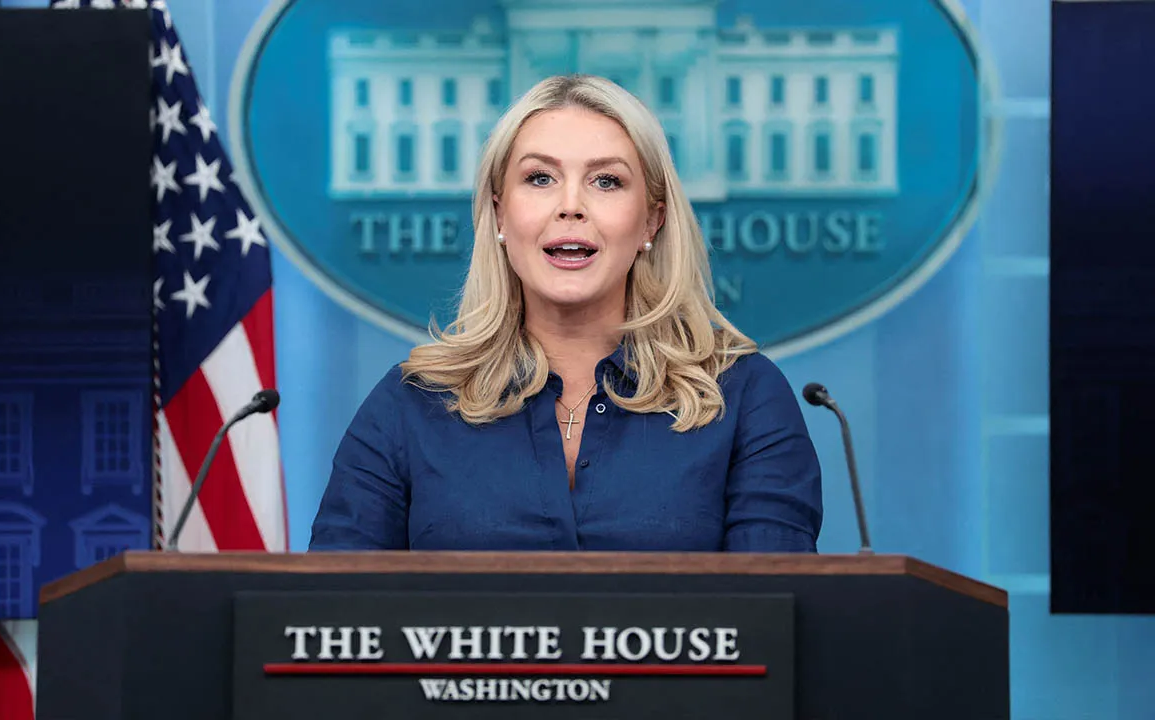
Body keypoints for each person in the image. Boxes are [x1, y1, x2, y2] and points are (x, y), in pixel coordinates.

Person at [308, 74, 822, 553]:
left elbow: (775, 616)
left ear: (652, 221)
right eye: (539, 178)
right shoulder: (409, 405)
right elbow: (329, 615)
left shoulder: (743, 395)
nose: (571, 205)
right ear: (499, 214)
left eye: (606, 182)